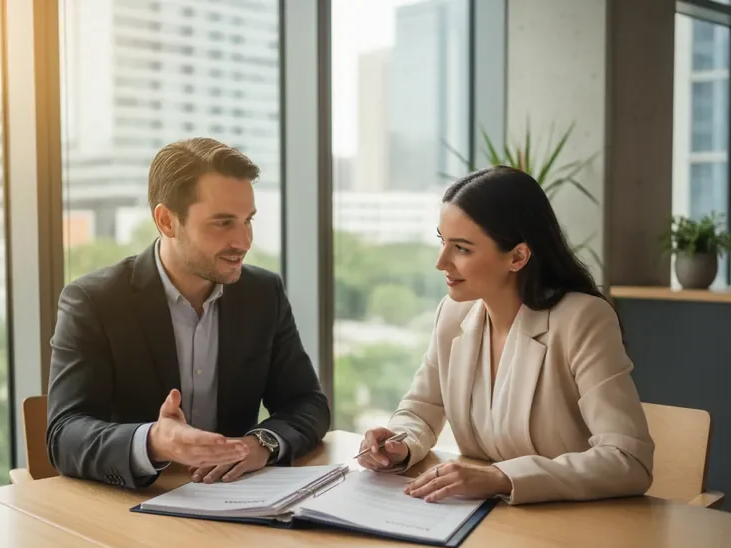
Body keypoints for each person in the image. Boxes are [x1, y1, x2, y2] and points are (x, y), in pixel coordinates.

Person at [358, 166, 654, 505]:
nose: (441, 262)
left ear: (517, 256)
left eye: (462, 248)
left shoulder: (582, 320)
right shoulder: (453, 314)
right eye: (443, 242)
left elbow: (629, 460)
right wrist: (399, 442)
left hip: (568, 521)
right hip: (479, 518)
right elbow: (422, 408)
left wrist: (503, 478)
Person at [47, 137, 330, 489]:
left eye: (247, 220)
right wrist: (154, 441)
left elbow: (307, 402)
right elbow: (64, 434)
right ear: (167, 221)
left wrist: (260, 445)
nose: (244, 241)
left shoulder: (262, 294)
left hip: (235, 501)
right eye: (223, 223)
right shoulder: (94, 301)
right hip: (133, 503)